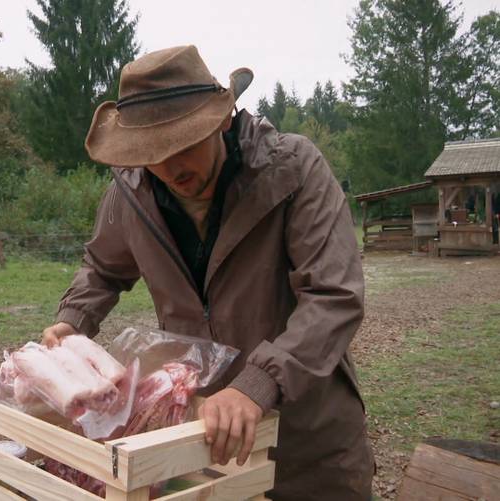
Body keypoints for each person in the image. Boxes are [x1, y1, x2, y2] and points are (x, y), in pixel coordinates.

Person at [41, 45, 373, 500]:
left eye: (184, 145)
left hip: (305, 439)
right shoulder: (131, 192)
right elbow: (102, 268)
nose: (170, 167)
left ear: (221, 120)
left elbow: (333, 296)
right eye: (151, 152)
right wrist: (73, 319)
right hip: (194, 436)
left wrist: (258, 385)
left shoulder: (293, 171)